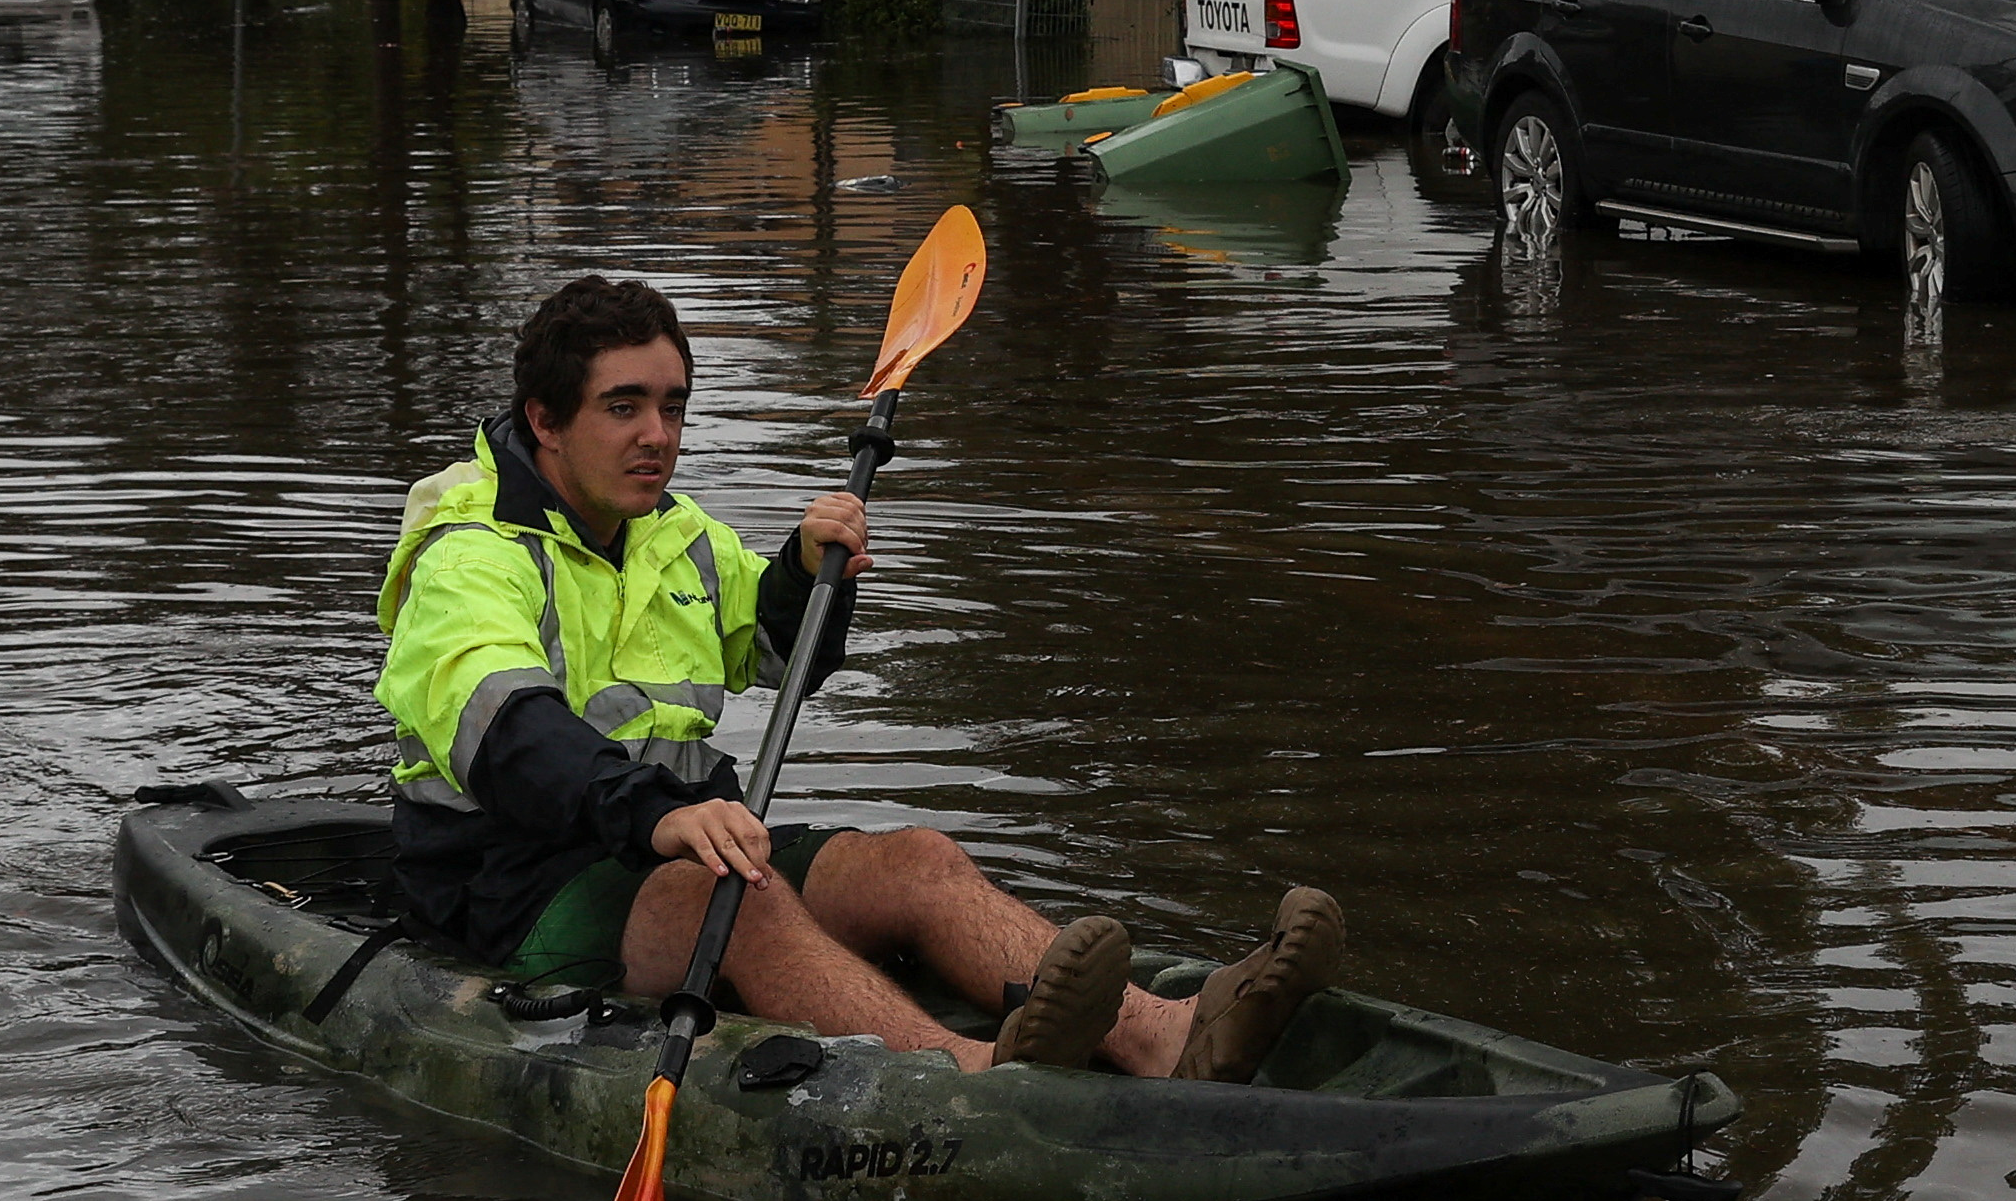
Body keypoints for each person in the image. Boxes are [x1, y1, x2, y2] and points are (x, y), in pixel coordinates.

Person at [372, 271, 1342, 1077]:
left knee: (911, 860)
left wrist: (805, 570)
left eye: (671, 406)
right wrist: (657, 813)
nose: (657, 435)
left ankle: (1163, 1032)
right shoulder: (468, 553)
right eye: (622, 408)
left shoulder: (672, 536)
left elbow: (779, 654)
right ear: (545, 420)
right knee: (729, 894)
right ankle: (966, 1072)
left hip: (665, 849)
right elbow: (508, 735)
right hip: (512, 898)